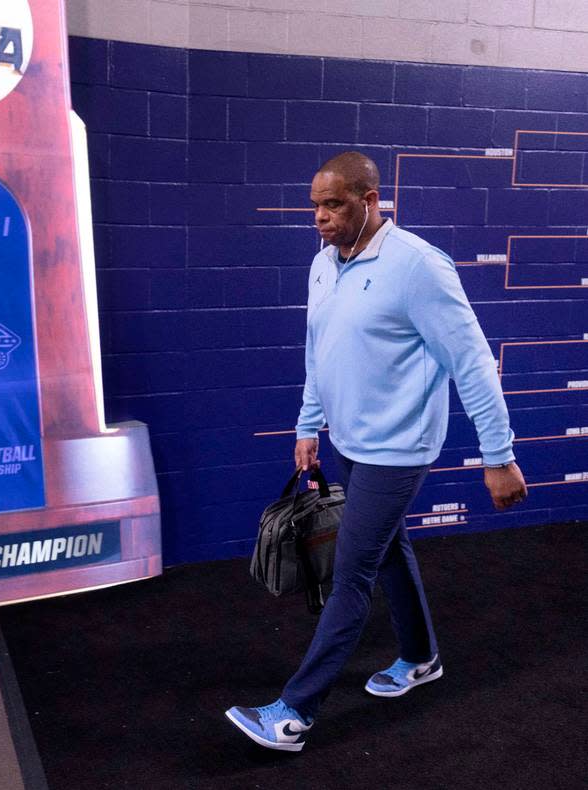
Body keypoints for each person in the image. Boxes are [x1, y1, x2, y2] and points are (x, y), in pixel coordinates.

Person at [225, 152, 528, 752]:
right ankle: (420, 658)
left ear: (370, 201)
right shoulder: (321, 265)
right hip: (350, 443)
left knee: (352, 571)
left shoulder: (417, 266)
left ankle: (293, 714)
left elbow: (471, 362)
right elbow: (320, 351)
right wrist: (309, 423)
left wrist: (498, 454)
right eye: (314, 204)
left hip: (400, 447)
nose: (319, 216)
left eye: (333, 204)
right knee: (389, 551)